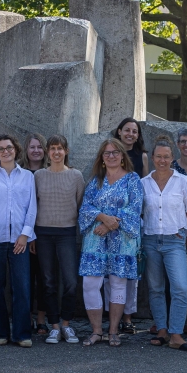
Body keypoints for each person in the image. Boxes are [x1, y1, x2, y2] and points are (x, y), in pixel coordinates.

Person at [78, 140, 143, 347]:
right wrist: (103, 218)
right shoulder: (95, 181)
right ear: (102, 158)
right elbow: (85, 208)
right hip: (95, 239)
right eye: (107, 153)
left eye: (115, 152)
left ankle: (114, 331)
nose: (111, 156)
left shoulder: (132, 179)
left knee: (117, 284)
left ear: (122, 155)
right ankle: (96, 331)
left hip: (122, 239)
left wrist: (109, 224)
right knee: (90, 284)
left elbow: (135, 208)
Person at [0, 135, 37, 347]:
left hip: (20, 240)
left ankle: (22, 334)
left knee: (22, 287)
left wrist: (25, 235)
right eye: (1, 149)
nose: (5, 151)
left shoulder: (27, 176)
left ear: (16, 150)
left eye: (9, 147)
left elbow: (32, 208)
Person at [142, 136, 187, 352]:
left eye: (166, 157)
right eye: (158, 156)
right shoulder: (144, 183)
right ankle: (162, 330)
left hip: (174, 241)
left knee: (180, 287)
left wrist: (181, 229)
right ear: (152, 158)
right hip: (150, 239)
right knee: (156, 288)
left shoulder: (183, 182)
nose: (162, 160)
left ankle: (176, 333)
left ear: (172, 158)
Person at [33, 135, 86, 344]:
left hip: (67, 233)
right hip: (43, 233)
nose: (56, 152)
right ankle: (54, 326)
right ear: (48, 152)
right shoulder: (38, 176)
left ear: (66, 151)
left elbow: (80, 203)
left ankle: (66, 324)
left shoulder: (76, 176)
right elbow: (33, 206)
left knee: (71, 281)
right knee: (48, 282)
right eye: (53, 148)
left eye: (60, 148)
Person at [111, 117, 147, 333]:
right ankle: (111, 317)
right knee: (111, 272)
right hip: (109, 222)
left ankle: (127, 317)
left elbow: (143, 189)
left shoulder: (142, 156)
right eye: (127, 130)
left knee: (131, 272)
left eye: (134, 131)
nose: (130, 134)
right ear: (119, 131)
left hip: (132, 222)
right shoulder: (109, 153)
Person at [20, 132, 49, 335]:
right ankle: (26, 316)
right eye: (32, 147)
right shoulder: (19, 172)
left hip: (46, 230)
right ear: (26, 149)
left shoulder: (50, 172)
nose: (36, 150)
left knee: (44, 277)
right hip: (23, 232)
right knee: (25, 278)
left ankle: (41, 318)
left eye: (40, 147)